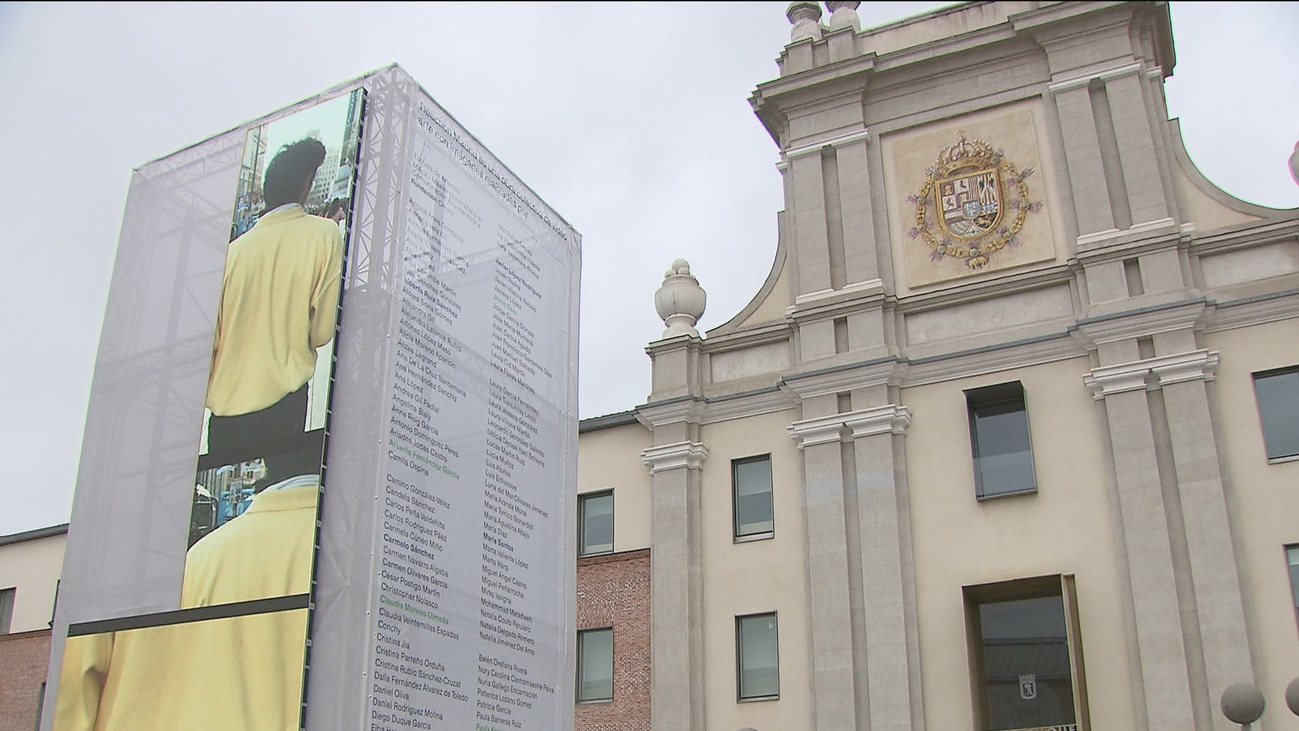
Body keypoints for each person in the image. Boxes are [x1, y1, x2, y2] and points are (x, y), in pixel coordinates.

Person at [205, 138, 344, 466]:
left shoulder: (231, 253)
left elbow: (211, 342)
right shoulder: (324, 235)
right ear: (307, 183)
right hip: (282, 405)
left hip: (224, 416)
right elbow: (322, 332)